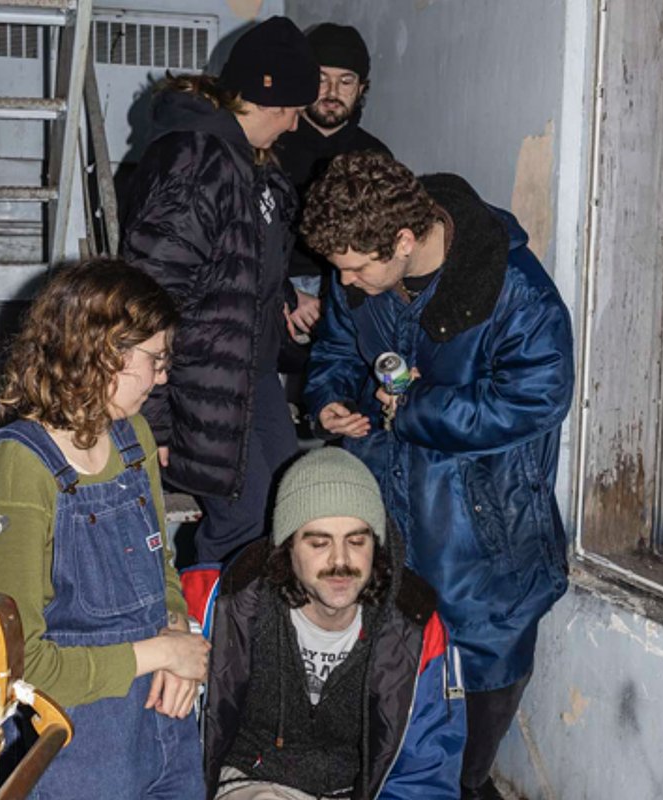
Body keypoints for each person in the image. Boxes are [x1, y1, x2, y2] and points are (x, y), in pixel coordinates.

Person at [300, 151, 574, 800]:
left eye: (357, 269)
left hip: (483, 533)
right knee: (390, 697)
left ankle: (468, 785)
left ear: (403, 240)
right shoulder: (360, 267)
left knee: (475, 709)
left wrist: (419, 409)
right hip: (384, 516)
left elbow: (538, 396)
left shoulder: (517, 289)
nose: (347, 283)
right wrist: (330, 398)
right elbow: (337, 349)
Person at [0, 260, 211, 800]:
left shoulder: (134, 437)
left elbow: (161, 567)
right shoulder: (21, 464)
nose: (162, 377)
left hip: (163, 722)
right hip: (80, 745)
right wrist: (164, 654)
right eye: (155, 359)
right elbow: (24, 665)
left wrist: (178, 634)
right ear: (105, 352)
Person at [121, 16, 321, 565]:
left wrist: (284, 299)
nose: (295, 125)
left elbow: (233, 264)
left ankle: (253, 619)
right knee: (243, 526)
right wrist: (154, 419)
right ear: (267, 99)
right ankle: (214, 619)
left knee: (289, 510)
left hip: (249, 377)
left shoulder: (247, 164)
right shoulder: (198, 160)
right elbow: (150, 295)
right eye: (294, 110)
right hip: (201, 384)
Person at [182, 447, 466, 799]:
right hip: (250, 780)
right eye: (319, 543)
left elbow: (425, 771)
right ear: (287, 546)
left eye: (357, 541)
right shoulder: (219, 602)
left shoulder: (415, 627)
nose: (340, 561)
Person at [275, 22, 391, 300]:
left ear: (361, 88)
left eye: (346, 81)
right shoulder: (271, 145)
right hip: (277, 287)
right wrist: (285, 293)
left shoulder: (375, 156)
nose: (332, 91)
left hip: (351, 290)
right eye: (321, 78)